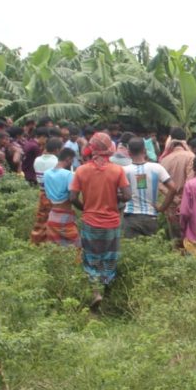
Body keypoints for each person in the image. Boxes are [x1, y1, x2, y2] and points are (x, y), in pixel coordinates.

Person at [69, 132, 132, 310]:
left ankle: (95, 291)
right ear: (109, 149)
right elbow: (127, 196)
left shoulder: (81, 170)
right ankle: (108, 291)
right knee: (109, 256)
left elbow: (72, 197)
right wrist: (115, 197)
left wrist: (85, 207)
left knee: (90, 257)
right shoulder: (117, 170)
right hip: (111, 222)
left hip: (90, 221)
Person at [123, 138, 178, 238]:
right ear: (144, 150)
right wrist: (162, 208)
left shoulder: (124, 171)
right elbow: (173, 188)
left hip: (130, 218)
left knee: (133, 251)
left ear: (129, 152)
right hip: (150, 217)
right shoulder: (157, 168)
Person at [160, 138, 195, 246]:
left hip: (171, 204)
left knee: (175, 237)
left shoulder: (164, 160)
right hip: (188, 203)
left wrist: (173, 198)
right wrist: (183, 199)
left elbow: (160, 185)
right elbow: (190, 181)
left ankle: (177, 257)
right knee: (190, 235)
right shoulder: (190, 156)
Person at [43, 148, 81, 247]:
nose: (72, 164)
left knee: (55, 249)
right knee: (76, 247)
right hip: (65, 216)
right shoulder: (68, 175)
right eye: (72, 161)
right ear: (68, 159)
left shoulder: (46, 173)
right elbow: (73, 197)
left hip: (52, 215)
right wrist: (84, 208)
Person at [29, 138, 62, 244]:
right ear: (57, 150)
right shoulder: (57, 162)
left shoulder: (37, 160)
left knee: (41, 220)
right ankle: (52, 244)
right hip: (55, 195)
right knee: (55, 222)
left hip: (42, 193)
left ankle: (36, 243)